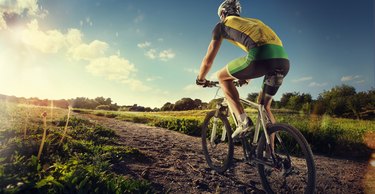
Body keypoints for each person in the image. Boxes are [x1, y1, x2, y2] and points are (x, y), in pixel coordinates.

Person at [196, 0, 290, 138]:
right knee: (264, 107)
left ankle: (243, 122)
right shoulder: (254, 21)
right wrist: (246, 78)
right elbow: (260, 44)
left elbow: (208, 60)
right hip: (283, 60)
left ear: (222, 13)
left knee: (222, 77)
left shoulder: (222, 25)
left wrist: (201, 78)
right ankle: (271, 155)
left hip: (260, 56)